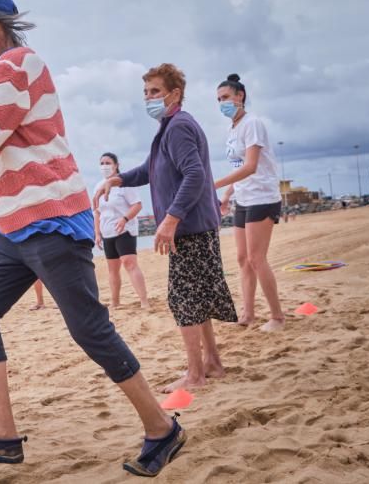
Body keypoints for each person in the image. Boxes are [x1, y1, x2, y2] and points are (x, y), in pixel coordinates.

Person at [0, 0, 184, 477]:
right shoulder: (1, 73)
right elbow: (11, 141)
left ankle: (162, 428)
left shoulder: (16, 64)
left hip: (49, 222)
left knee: (90, 329)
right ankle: (2, 435)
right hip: (17, 230)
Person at [95, 63, 237, 391]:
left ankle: (195, 374)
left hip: (190, 228)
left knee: (183, 299)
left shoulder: (178, 127)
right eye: (146, 92)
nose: (149, 98)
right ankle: (211, 363)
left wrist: (170, 220)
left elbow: (194, 174)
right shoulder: (168, 127)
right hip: (195, 226)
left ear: (175, 94)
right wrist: (118, 178)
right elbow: (152, 169)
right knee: (196, 297)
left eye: (155, 92)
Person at [214, 74, 285, 332]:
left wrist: (215, 185)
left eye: (225, 97)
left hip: (262, 197)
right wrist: (226, 195)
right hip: (242, 198)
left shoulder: (252, 123)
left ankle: (277, 317)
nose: (222, 103)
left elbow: (251, 166)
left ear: (239, 96)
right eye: (218, 99)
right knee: (243, 259)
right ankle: (248, 313)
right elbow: (238, 167)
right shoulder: (233, 129)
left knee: (257, 258)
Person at [93, 152, 149, 309]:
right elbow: (97, 212)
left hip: (125, 230)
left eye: (108, 163)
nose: (104, 166)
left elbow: (137, 205)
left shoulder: (124, 183)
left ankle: (144, 301)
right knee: (113, 268)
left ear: (116, 165)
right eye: (102, 163)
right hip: (107, 231)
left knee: (129, 263)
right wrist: (97, 233)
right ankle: (115, 302)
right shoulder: (98, 186)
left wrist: (124, 219)